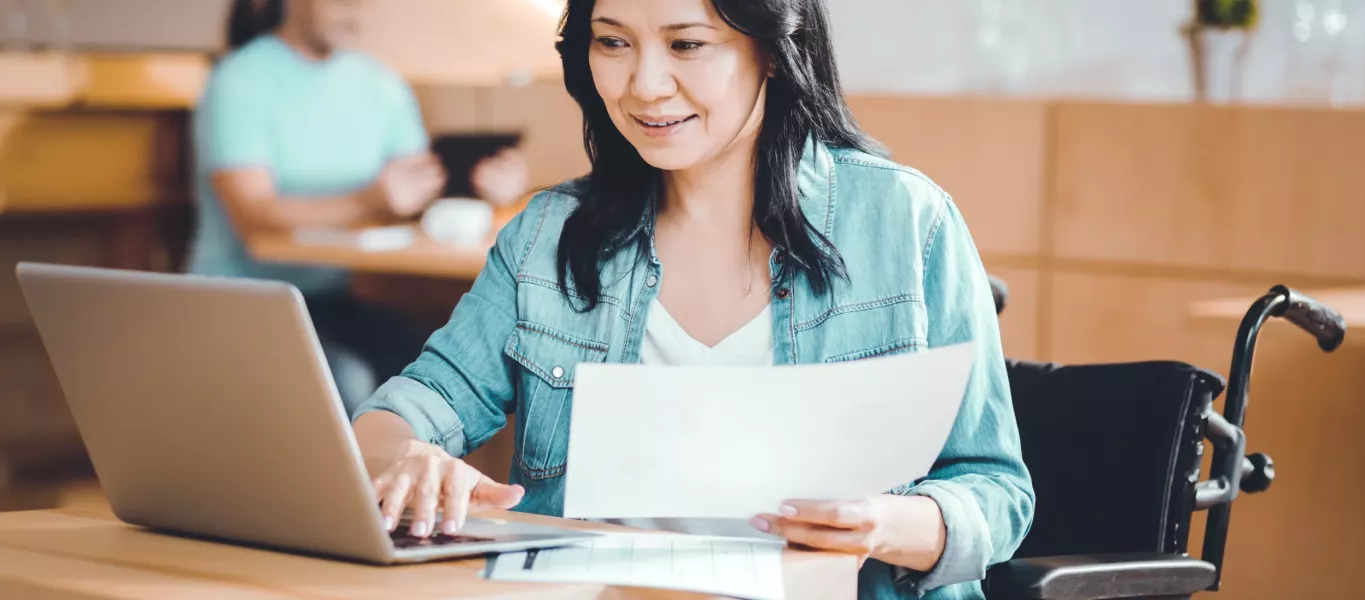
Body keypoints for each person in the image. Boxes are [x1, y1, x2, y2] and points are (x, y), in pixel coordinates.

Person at [351, 0, 1034, 597]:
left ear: (772, 50)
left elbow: (996, 493)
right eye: (613, 41)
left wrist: (883, 526)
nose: (645, 85)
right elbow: (396, 419)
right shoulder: (546, 236)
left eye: (686, 44)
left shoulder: (906, 221)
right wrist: (407, 457)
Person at [188, 0, 530, 414]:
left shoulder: (380, 84)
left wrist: (485, 190)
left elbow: (416, 191)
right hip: (236, 300)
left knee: (442, 367)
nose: (357, 9)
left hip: (330, 297)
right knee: (345, 379)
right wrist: (369, 200)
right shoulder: (239, 80)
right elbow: (253, 214)